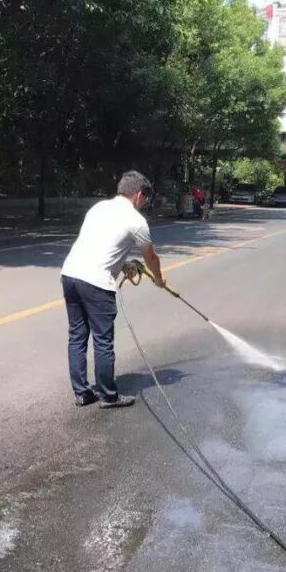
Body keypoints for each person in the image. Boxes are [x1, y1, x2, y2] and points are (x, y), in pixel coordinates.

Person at [60, 171, 167, 408]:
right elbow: (151, 258)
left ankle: (82, 393)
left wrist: (123, 264)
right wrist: (159, 280)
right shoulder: (136, 220)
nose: (144, 204)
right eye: (145, 199)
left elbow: (99, 245)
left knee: (77, 336)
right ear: (139, 195)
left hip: (70, 275)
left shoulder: (98, 208)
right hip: (96, 283)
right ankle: (108, 395)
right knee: (103, 340)